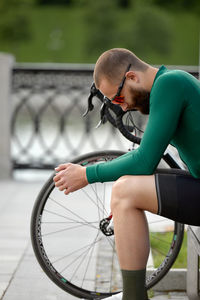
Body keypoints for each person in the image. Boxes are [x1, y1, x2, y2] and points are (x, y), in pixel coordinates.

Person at [53, 48, 200, 300]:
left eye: (119, 99)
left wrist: (87, 174)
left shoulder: (170, 84)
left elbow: (144, 161)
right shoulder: (171, 84)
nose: (124, 107)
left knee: (123, 192)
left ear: (132, 77)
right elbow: (145, 158)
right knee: (126, 185)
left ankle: (132, 297)